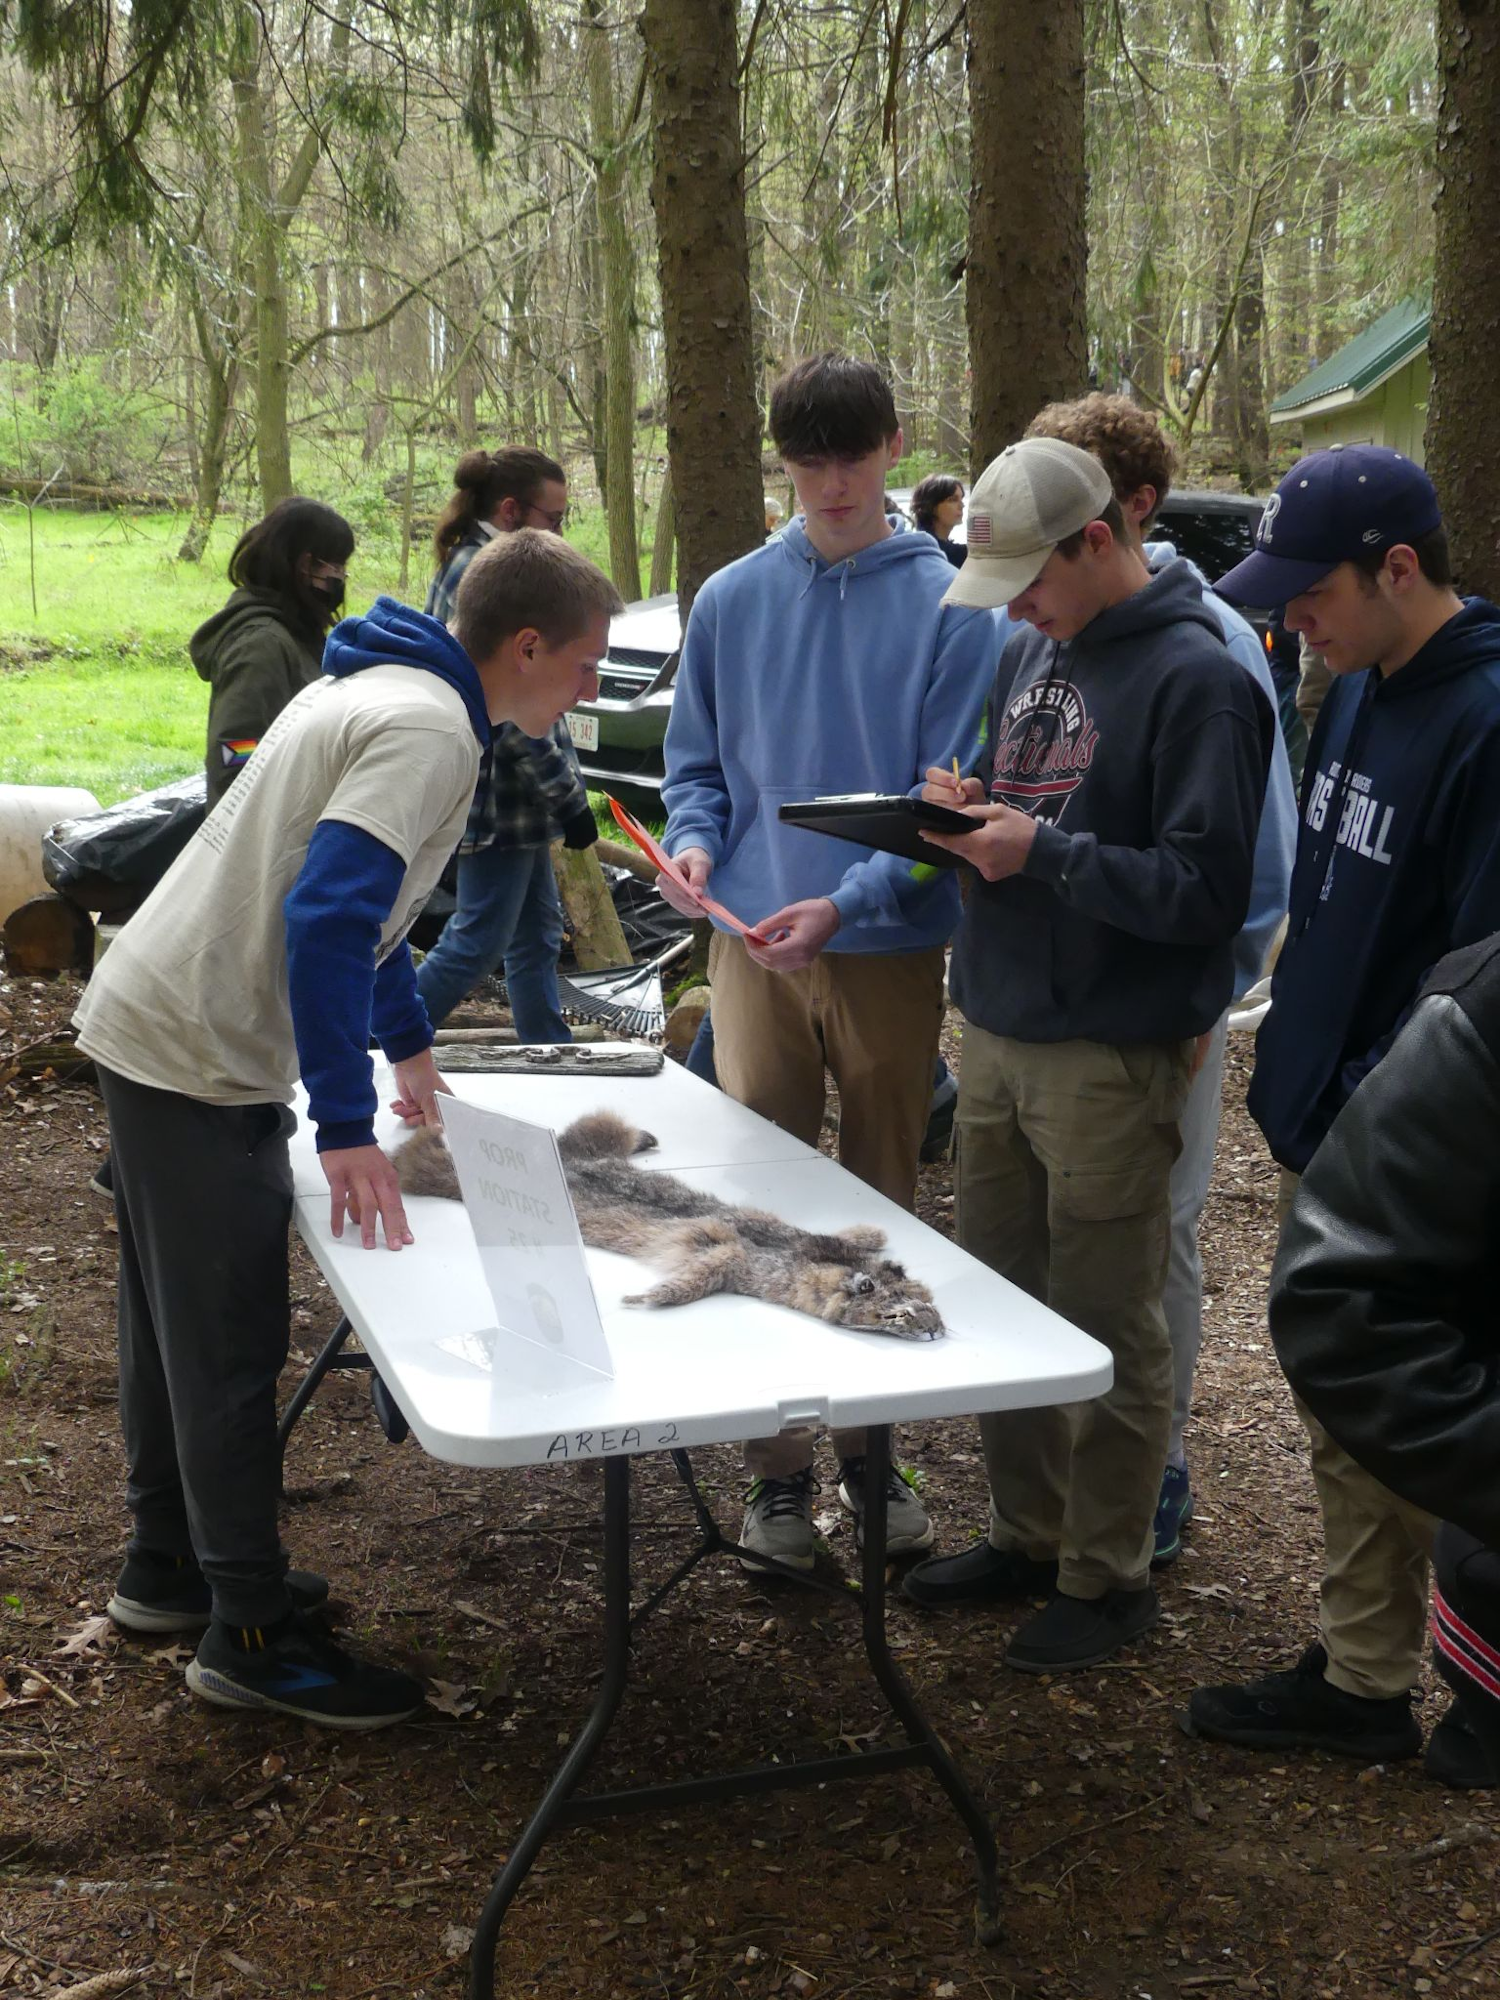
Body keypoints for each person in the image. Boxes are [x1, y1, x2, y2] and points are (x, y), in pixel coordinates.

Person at [77, 530, 621, 1729]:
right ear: (525, 646)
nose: (588, 691)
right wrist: (340, 1120)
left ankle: (169, 1567)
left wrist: (404, 1041)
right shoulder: (429, 730)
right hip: (197, 1050)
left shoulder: (391, 685)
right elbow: (328, 913)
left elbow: (349, 911)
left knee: (171, 1326)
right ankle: (251, 1632)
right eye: (584, 666)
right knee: (222, 1342)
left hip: (161, 1023)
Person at [900, 435, 1272, 1674]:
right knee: (1004, 1298)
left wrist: (1038, 853)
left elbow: (1205, 891)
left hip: (1111, 1045)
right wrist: (967, 814)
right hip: (1000, 1019)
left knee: (1106, 1310)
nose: (1017, 606)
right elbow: (1034, 802)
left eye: (1031, 578)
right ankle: (1027, 1529)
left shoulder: (1199, 676)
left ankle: (1108, 1571)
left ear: (1098, 540)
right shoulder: (1028, 647)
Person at [1184, 444, 1500, 1778]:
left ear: (1402, 568)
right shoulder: (1360, 685)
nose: (1291, 617)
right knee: (1345, 1417)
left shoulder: (1484, 719)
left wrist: (1376, 1120)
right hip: (1331, 1121)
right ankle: (1365, 1668)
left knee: (1411, 1411)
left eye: (1312, 592)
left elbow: (1477, 983)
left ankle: (1444, 1683)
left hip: (1412, 1157)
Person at [659, 351, 999, 1570]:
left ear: (896, 447)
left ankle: (872, 1452)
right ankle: (778, 1481)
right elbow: (694, 770)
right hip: (749, 943)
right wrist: (694, 850)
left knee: (876, 1202)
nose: (833, 483)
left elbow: (940, 803)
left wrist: (845, 909)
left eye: (852, 456)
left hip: (890, 946)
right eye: (808, 461)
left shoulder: (958, 604)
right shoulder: (731, 598)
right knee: (759, 1205)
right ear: (782, 460)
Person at [1023, 393, 1296, 1562]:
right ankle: (1057, 1500)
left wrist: (1206, 1002)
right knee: (1066, 1249)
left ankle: (1155, 1471)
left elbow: (1258, 868)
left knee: (1150, 1250)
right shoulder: (1045, 633)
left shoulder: (1212, 651)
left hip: (1160, 1011)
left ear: (1119, 511)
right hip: (1052, 1011)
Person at [1250, 933, 1500, 1785]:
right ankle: (1366, 1678)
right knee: (1352, 1457)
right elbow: (1349, 1307)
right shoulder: (1481, 1008)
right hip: (1349, 1107)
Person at [413, 447, 599, 1043]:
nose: (560, 532)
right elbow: (515, 712)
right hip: (499, 801)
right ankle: (376, 1037)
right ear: (512, 510)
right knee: (478, 938)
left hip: (520, 805)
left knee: (537, 933)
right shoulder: (482, 572)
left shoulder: (482, 562)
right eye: (554, 518)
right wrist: (567, 797)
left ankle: (547, 1047)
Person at [195, 498, 355, 805]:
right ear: (307, 566)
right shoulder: (260, 645)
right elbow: (233, 755)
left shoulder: (297, 633)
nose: (342, 578)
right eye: (338, 567)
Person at [909, 473, 967, 568]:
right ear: (931, 506)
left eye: (961, 499)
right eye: (952, 500)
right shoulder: (926, 550)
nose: (961, 505)